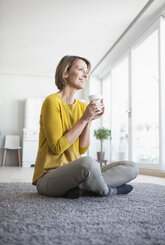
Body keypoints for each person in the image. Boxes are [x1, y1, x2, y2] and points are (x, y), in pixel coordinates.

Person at [32, 55, 138, 199]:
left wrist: (89, 120)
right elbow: (56, 148)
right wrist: (84, 118)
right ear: (65, 73)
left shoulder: (82, 106)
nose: (85, 74)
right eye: (80, 69)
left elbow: (82, 148)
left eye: (87, 71)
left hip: (77, 173)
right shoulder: (52, 101)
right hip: (49, 177)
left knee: (132, 167)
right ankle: (108, 191)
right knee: (88, 163)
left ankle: (80, 188)